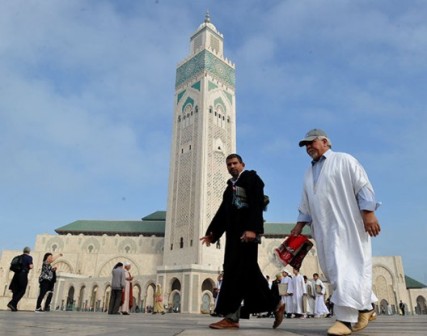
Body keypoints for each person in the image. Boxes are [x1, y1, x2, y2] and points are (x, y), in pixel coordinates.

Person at [291, 129, 381, 335]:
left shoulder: (344, 160)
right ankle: (367, 307)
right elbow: (306, 203)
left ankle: (345, 321)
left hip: (348, 226)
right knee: (333, 269)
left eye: (310, 143)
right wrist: (299, 226)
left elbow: (363, 186)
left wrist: (369, 214)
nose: (308, 148)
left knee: (344, 268)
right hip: (323, 229)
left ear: (325, 142)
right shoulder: (308, 173)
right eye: (305, 145)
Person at [200, 153, 282, 330]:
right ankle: (274, 305)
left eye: (234, 163)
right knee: (244, 273)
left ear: (242, 164)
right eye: (228, 164)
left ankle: (232, 317)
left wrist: (253, 229)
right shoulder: (230, 188)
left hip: (247, 236)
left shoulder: (252, 179)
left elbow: (256, 204)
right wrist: (212, 234)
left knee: (237, 273)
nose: (232, 167)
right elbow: (223, 213)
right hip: (233, 237)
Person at [7, 246, 33, 311]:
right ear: (29, 251)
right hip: (23, 274)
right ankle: (12, 303)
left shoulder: (19, 256)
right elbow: (31, 266)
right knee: (22, 290)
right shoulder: (29, 257)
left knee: (15, 290)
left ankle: (14, 307)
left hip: (16, 274)